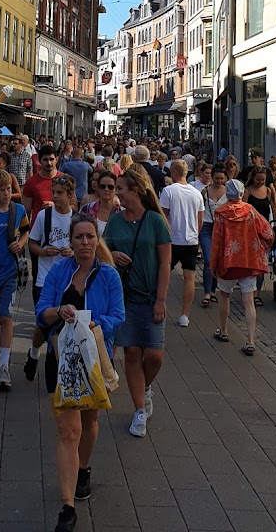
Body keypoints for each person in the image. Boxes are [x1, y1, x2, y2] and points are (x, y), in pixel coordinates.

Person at [36, 213, 124, 532]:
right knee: (68, 431)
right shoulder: (59, 271)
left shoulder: (109, 275)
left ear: (96, 240)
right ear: (70, 241)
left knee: (89, 423)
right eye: (79, 237)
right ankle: (67, 506)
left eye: (90, 237)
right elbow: (41, 313)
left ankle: (83, 468)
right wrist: (58, 311)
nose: (85, 242)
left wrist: (95, 325)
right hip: (60, 359)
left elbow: (118, 315)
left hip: (94, 359)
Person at [105, 167, 171, 439]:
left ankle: (145, 387)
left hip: (150, 296)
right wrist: (112, 254)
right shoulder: (115, 221)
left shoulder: (155, 221)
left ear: (134, 191)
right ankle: (139, 410)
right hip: (124, 298)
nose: (116, 193)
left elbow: (165, 263)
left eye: (120, 189)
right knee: (132, 352)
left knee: (154, 356)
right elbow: (103, 253)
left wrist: (161, 299)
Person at [210, 178, 274, 355]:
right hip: (248, 260)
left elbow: (216, 241)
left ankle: (224, 331)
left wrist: (213, 264)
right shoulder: (250, 210)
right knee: (249, 301)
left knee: (224, 295)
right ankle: (251, 340)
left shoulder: (220, 213)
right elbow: (268, 232)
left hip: (228, 261)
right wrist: (261, 247)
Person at [24, 173, 75, 382]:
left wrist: (73, 252)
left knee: (63, 324)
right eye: (53, 192)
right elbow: (32, 244)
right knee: (44, 322)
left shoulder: (77, 219)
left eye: (59, 193)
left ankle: (57, 368)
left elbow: (87, 247)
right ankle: (34, 353)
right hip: (45, 278)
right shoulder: (44, 216)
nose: (54, 196)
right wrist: (44, 252)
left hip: (69, 280)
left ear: (70, 195)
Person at [0, 170, 30, 390]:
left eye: (9, 189)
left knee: (6, 316)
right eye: (1, 190)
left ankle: (4, 364)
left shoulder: (18, 210)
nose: (6, 194)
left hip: (9, 272)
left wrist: (21, 243)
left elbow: (26, 231)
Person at [160, 160, 204, 327]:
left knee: (162, 274)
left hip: (172, 240)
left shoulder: (168, 191)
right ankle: (185, 315)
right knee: (189, 278)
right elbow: (200, 219)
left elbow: (163, 216)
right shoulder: (197, 193)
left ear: (175, 172)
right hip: (191, 240)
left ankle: (161, 307)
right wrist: (195, 235)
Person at [23, 144, 59, 287]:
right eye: (45, 159)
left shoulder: (64, 179)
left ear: (57, 159)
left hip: (61, 233)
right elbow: (26, 211)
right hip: (38, 234)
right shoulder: (31, 182)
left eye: (51, 159)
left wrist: (55, 205)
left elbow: (74, 206)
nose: (49, 163)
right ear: (39, 160)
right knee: (38, 277)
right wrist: (24, 236)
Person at [244, 166, 276, 305]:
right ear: (253, 178)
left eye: (263, 180)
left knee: (262, 261)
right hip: (250, 230)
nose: (260, 182)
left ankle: (256, 293)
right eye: (258, 179)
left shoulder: (268, 191)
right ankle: (249, 291)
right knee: (251, 262)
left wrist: (275, 209)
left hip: (263, 231)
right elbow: (243, 209)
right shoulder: (247, 191)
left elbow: (270, 207)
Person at [198, 169, 228, 307]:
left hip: (222, 228)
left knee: (218, 260)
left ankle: (213, 290)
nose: (219, 181)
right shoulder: (204, 191)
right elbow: (200, 210)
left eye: (222, 178)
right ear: (212, 177)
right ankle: (207, 293)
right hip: (207, 227)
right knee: (209, 260)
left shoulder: (228, 192)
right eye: (217, 178)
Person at [81, 168, 121, 235]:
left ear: (116, 189)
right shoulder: (86, 209)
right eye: (103, 186)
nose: (106, 189)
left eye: (110, 187)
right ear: (98, 188)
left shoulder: (122, 211)